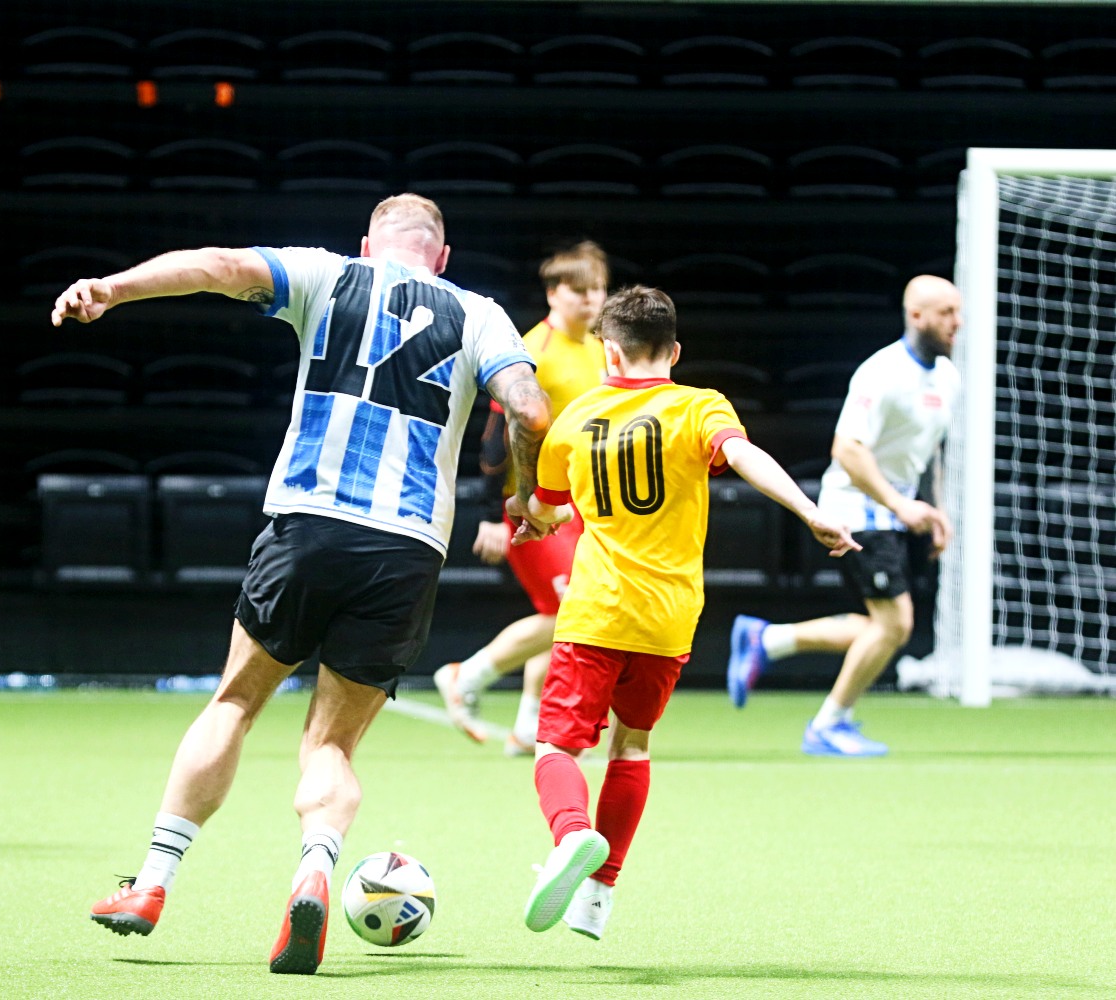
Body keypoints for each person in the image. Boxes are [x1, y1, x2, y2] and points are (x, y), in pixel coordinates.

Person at [49, 194, 555, 975]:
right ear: (443, 257)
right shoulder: (481, 314)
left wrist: (112, 289)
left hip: (309, 522)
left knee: (235, 701)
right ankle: (315, 868)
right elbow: (530, 409)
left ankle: (150, 884)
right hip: (407, 547)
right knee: (331, 744)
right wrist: (525, 496)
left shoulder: (326, 274)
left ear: (368, 244)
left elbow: (218, 266)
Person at [511, 285, 858, 941]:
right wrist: (809, 510)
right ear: (673, 352)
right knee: (632, 744)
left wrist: (529, 519)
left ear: (609, 352)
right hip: (669, 618)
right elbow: (744, 455)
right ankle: (598, 897)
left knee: (557, 744)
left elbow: (547, 509)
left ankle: (572, 834)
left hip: (596, 612)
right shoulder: (700, 406)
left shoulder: (575, 418)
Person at [727, 275, 961, 758]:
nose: (957, 323)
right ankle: (827, 724)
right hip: (857, 510)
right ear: (916, 315)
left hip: (892, 514)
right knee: (895, 624)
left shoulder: (948, 378)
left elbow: (926, 454)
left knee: (882, 625)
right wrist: (900, 505)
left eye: (958, 312)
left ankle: (768, 639)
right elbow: (848, 450)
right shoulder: (882, 372)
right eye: (946, 313)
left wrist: (937, 511)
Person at [434, 241, 609, 755]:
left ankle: (529, 727)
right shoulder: (535, 351)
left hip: (579, 507)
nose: (592, 299)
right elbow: (496, 437)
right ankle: (467, 675)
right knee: (570, 610)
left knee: (561, 612)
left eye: (599, 289)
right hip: (532, 505)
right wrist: (491, 513)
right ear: (553, 293)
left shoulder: (599, 348)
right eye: (580, 290)